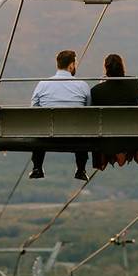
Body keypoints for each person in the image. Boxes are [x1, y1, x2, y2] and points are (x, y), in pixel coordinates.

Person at [29, 49, 91, 181]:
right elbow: (88, 110)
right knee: (82, 126)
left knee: (40, 125)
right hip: (75, 135)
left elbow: (34, 109)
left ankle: (37, 167)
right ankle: (81, 169)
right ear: (71, 65)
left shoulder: (42, 84)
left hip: (48, 134)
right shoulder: (82, 86)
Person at [90, 54, 138, 169]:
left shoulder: (97, 91)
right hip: (133, 134)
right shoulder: (134, 83)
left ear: (106, 69)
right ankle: (131, 154)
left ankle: (115, 155)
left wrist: (102, 84)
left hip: (110, 136)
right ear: (122, 68)